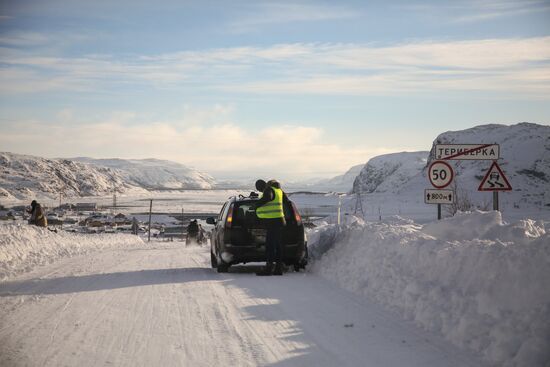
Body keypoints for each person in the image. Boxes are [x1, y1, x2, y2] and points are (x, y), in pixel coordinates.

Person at [254, 179, 289, 276]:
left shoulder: (268, 190)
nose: (261, 192)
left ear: (262, 186)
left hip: (273, 222)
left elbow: (267, 198)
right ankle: (278, 269)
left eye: (260, 189)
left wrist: (256, 205)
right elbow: (287, 202)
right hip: (280, 221)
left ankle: (268, 269)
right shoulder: (279, 191)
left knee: (270, 246)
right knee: (277, 246)